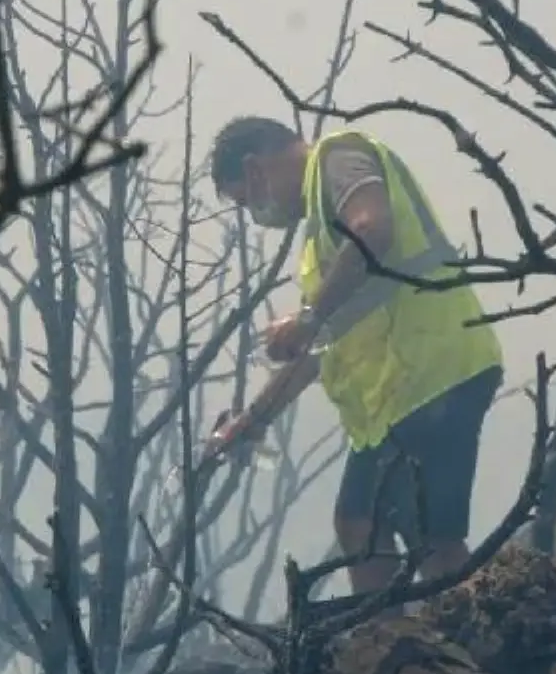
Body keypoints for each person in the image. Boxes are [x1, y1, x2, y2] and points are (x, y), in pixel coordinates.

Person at [203, 116, 505, 596]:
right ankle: (392, 636)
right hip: (401, 395)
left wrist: (309, 316)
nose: (259, 214)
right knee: (359, 524)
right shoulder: (321, 241)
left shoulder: (339, 157)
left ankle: (484, 627)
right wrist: (253, 420)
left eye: (248, 201)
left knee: (429, 537)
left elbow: (372, 228)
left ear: (256, 169)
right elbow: (318, 351)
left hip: (434, 374)